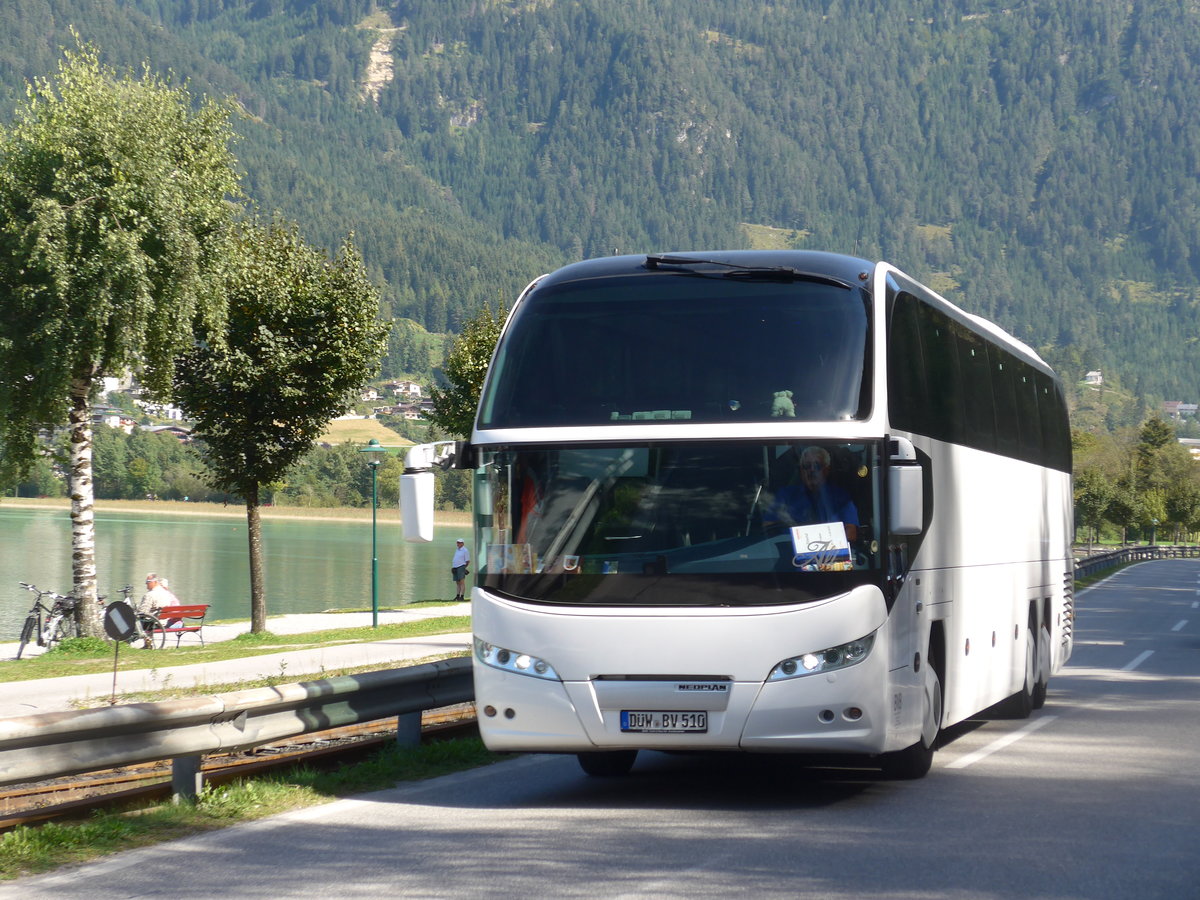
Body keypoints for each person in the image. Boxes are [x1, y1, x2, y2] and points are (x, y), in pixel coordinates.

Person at [764, 446, 859, 538]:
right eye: (807, 466)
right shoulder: (785, 495)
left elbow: (851, 533)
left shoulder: (841, 497)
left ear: (826, 470)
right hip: (788, 552)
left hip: (831, 553)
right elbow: (767, 527)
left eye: (817, 466)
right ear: (801, 470)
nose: (812, 470)